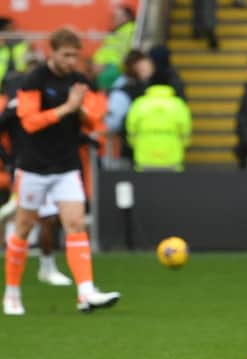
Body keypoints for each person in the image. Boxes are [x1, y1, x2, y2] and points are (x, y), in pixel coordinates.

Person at [3, 28, 121, 315]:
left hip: (66, 165)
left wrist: (79, 110)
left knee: (75, 224)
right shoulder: (34, 80)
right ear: (52, 52)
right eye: (66, 55)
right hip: (34, 166)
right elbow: (29, 122)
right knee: (24, 227)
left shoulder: (79, 81)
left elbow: (94, 122)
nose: (71, 61)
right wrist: (69, 107)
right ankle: (12, 294)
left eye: (75, 56)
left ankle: (86, 292)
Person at [0, 57, 73, 286]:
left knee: (47, 218)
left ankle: (47, 265)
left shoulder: (49, 103)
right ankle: (20, 276)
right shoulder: (16, 105)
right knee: (24, 219)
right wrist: (8, 159)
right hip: (26, 167)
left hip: (48, 166)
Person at [125, 74, 192, 171]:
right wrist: (182, 144)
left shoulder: (140, 103)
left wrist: (135, 143)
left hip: (144, 155)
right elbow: (185, 130)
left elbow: (131, 128)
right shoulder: (178, 104)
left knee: (144, 185)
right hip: (172, 156)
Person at [106, 49, 153, 164]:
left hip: (148, 151)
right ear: (135, 67)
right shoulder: (123, 90)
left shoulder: (149, 87)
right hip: (129, 153)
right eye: (144, 66)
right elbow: (112, 123)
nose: (149, 69)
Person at [92, 5, 136, 90]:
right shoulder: (116, 32)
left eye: (116, 17)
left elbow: (124, 52)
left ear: (127, 17)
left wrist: (103, 64)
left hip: (115, 68)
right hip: (105, 68)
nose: (113, 19)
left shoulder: (131, 30)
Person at [0, 17, 29, 89]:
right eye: (10, 27)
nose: (13, 30)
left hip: (14, 83)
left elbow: (24, 65)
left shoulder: (20, 44)